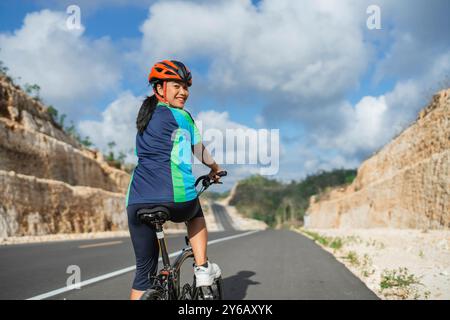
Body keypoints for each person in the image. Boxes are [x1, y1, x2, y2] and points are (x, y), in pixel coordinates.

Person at [126, 60, 224, 300]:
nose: (184, 92)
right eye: (177, 86)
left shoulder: (144, 117)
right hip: (175, 197)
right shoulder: (182, 116)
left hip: (137, 201)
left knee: (144, 275)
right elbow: (199, 150)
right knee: (195, 214)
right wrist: (215, 168)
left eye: (186, 87)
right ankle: (202, 269)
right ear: (159, 88)